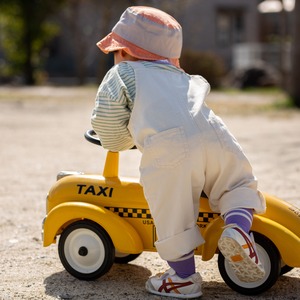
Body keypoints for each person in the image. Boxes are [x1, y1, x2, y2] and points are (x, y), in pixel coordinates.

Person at [91, 6, 266, 299]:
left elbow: (106, 121)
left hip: (170, 146)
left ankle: (183, 277)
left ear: (122, 51)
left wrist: (121, 141)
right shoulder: (181, 76)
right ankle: (237, 227)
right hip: (214, 135)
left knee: (172, 207)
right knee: (237, 182)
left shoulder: (123, 73)